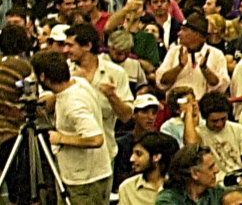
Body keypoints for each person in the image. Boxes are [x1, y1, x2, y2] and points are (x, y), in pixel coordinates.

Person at [35, 50, 113, 205]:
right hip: (84, 175)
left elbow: (96, 139)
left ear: (42, 77)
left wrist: (61, 138)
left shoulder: (74, 105)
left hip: (86, 182)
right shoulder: (78, 83)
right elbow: (61, 93)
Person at [157, 15, 229, 97]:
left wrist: (205, 69)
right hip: (176, 102)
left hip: (202, 102)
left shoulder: (216, 55)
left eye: (184, 30)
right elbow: (161, 82)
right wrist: (179, 66)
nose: (179, 33)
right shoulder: (174, 52)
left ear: (197, 34)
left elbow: (221, 87)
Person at [118, 132, 177, 205]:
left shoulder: (176, 187)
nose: (131, 159)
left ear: (156, 157)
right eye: (132, 153)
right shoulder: (128, 187)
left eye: (138, 154)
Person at [156, 145, 227, 205]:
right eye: (211, 167)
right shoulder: (168, 200)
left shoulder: (215, 192)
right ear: (194, 174)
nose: (217, 170)